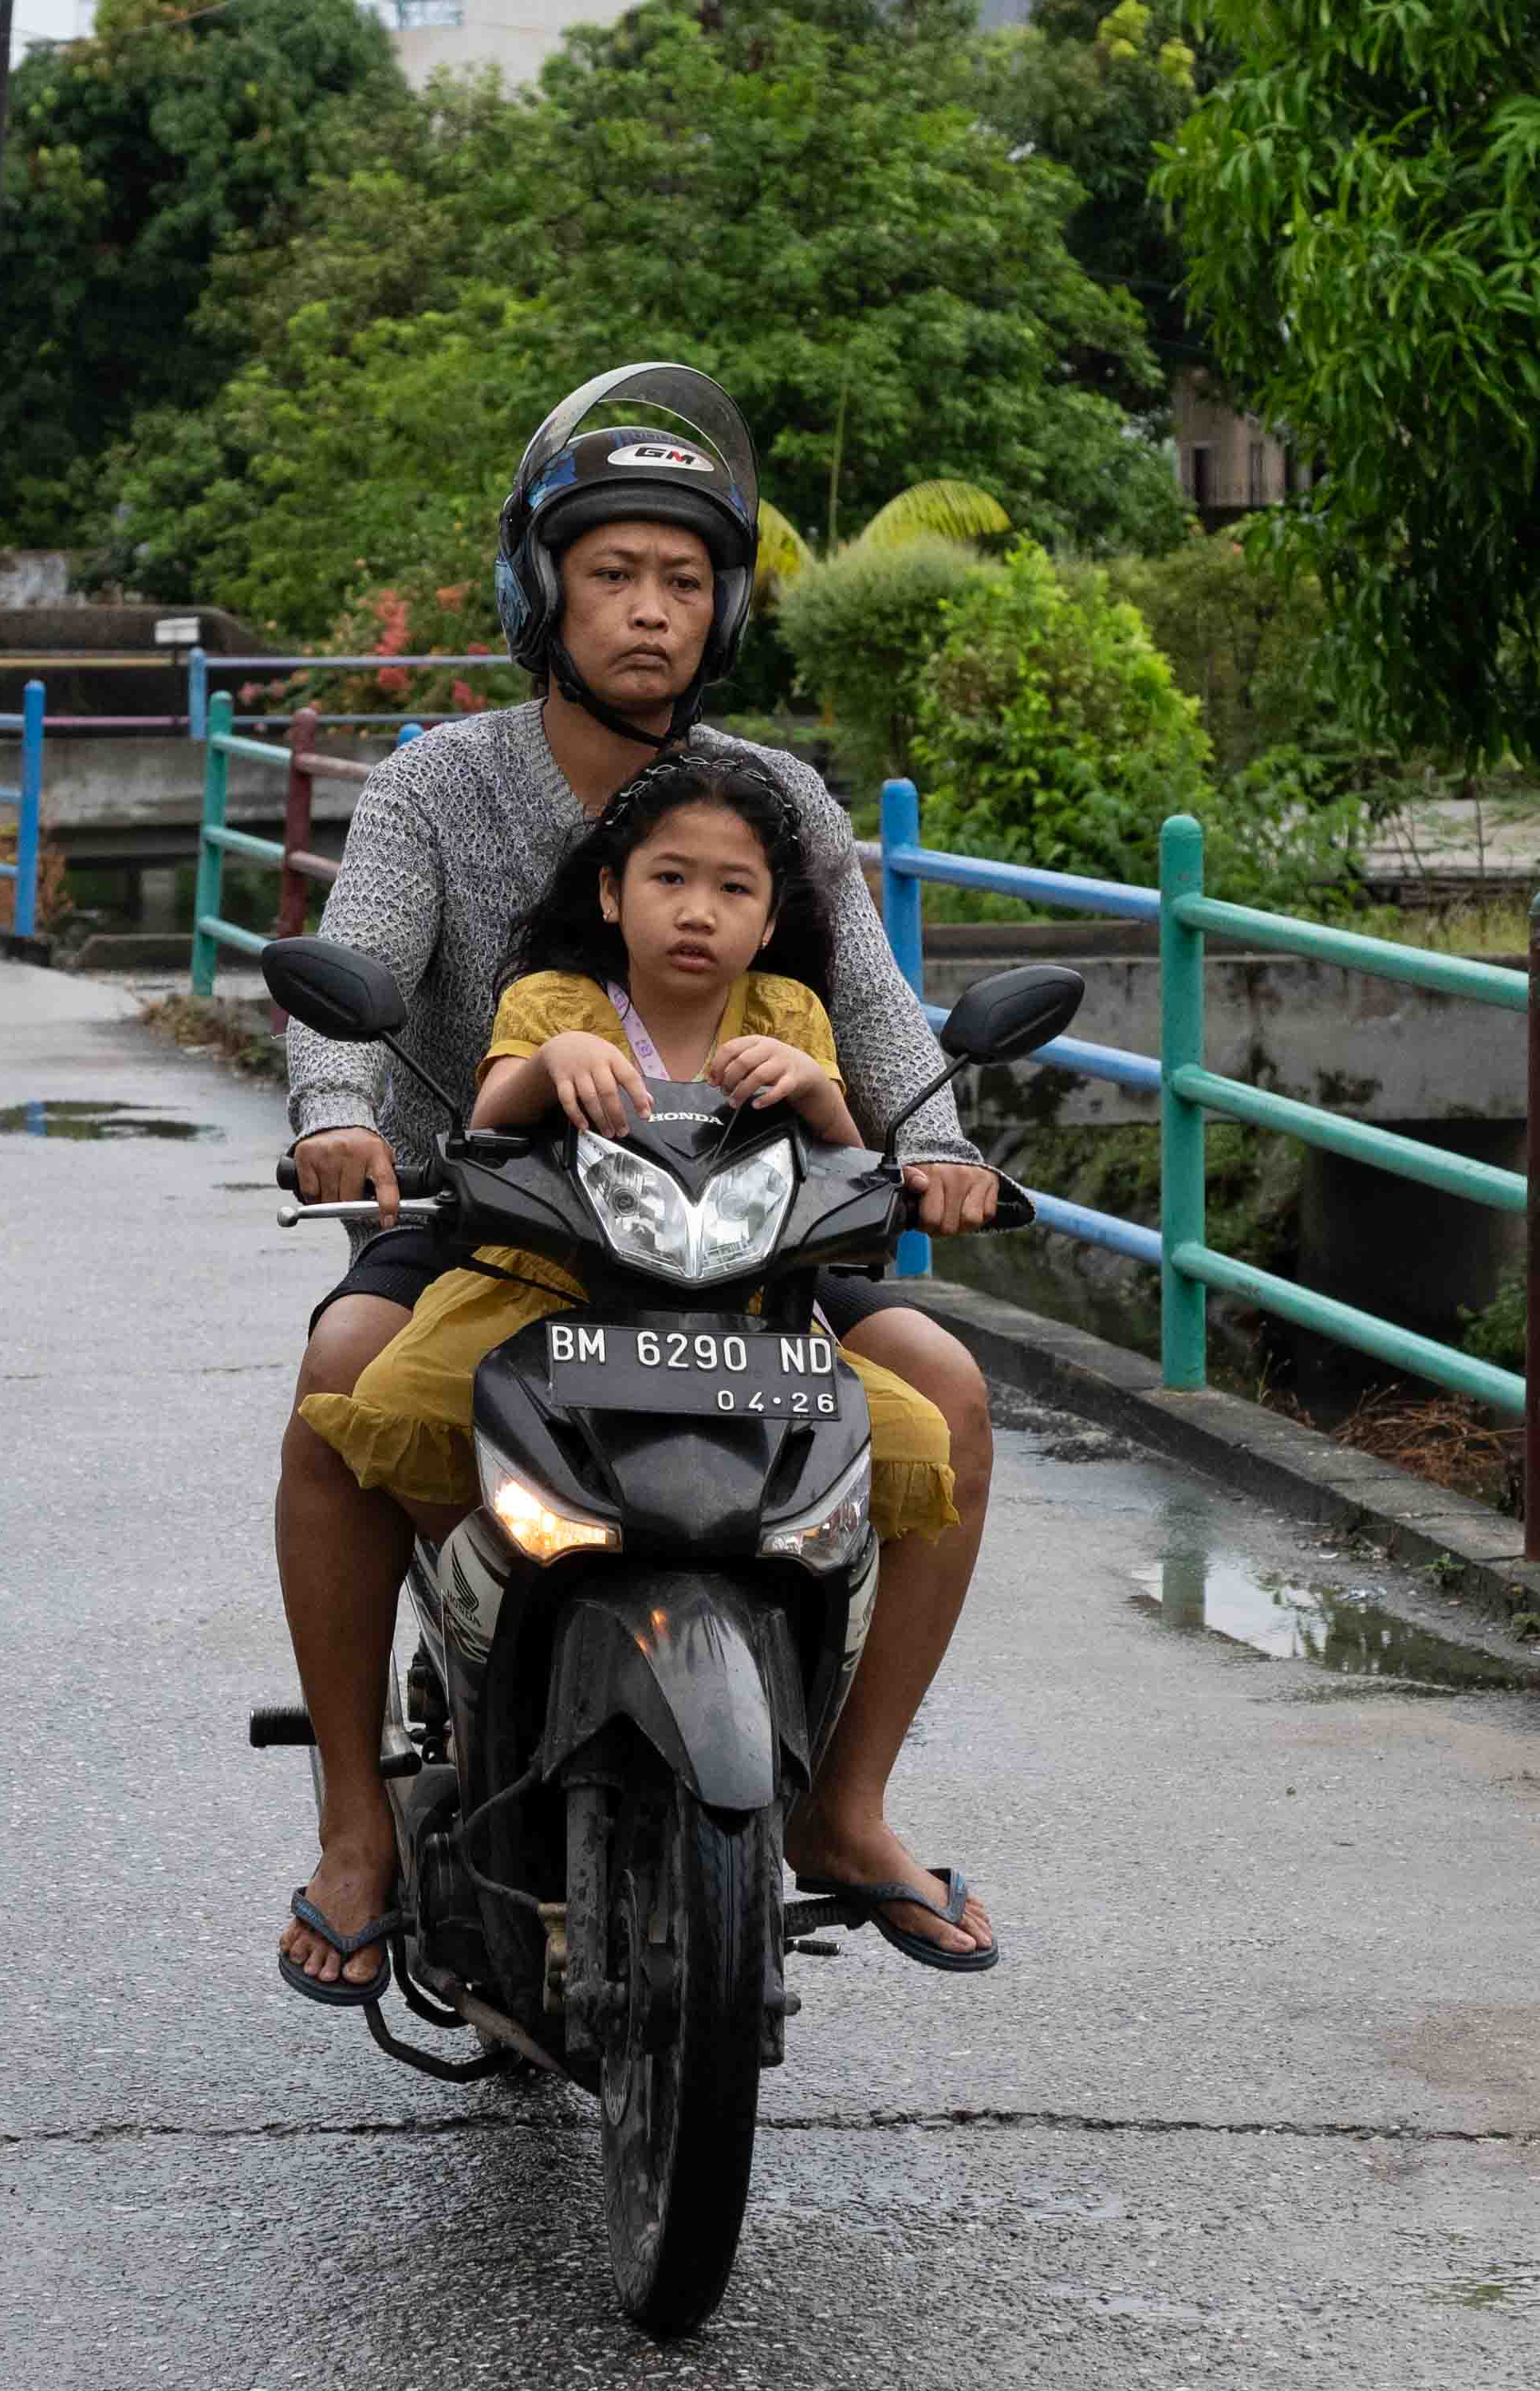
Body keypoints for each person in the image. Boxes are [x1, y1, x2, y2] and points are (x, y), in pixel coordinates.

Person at [275, 365, 1002, 2000]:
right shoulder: (436, 787)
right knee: (336, 1379)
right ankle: (358, 1822)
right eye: (614, 572)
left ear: (725, 606)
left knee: (947, 1386)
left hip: (747, 1240)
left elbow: (874, 1003)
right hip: (494, 1231)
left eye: (684, 579)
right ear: (544, 588)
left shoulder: (774, 802)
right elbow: (363, 972)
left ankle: (849, 1799)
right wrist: (338, 1115)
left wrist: (939, 1143)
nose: (651, 611)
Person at [289, 746, 963, 1562]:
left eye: (735, 889)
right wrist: (550, 1062)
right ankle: (487, 1577)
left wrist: (819, 1092)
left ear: (771, 919)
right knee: (396, 1394)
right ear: (611, 892)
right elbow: (489, 1118)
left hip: (747, 1308)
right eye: (669, 878)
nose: (699, 911)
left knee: (915, 1429)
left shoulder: (788, 1013)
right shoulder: (552, 1000)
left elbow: (848, 1174)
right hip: (547, 1288)